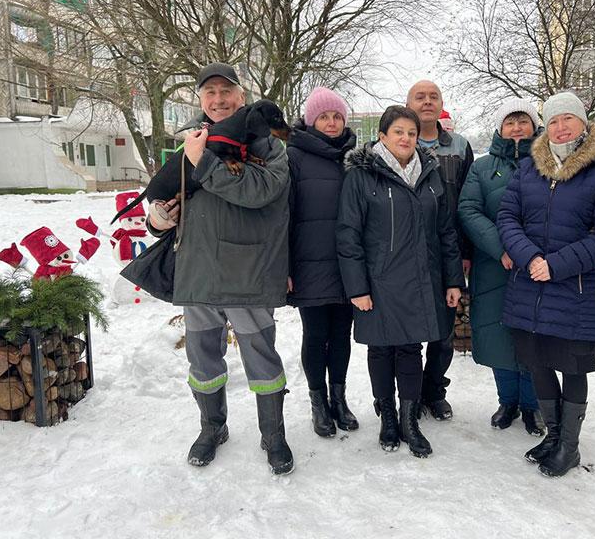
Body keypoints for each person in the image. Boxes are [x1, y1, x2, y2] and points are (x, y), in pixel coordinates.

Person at [147, 62, 294, 475]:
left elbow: (261, 190)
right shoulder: (192, 141)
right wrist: (157, 218)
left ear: (241, 96)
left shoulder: (267, 144)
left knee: (261, 357)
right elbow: (165, 196)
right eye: (209, 92)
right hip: (198, 271)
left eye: (226, 91)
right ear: (200, 99)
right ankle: (212, 427)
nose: (218, 99)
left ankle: (273, 434)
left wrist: (204, 163)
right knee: (202, 357)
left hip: (250, 269)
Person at [496, 91, 595, 477]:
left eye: (568, 118)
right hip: (529, 286)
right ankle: (553, 436)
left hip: (575, 288)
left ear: (583, 122)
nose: (560, 126)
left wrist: (555, 265)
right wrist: (530, 258)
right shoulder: (529, 169)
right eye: (553, 120)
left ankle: (569, 446)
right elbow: (508, 217)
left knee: (571, 367)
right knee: (538, 363)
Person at [336, 105, 464, 457]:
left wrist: (453, 280)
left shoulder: (429, 174)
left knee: (410, 349)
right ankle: (388, 417)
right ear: (382, 136)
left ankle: (409, 419)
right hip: (378, 281)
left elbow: (446, 232)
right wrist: (357, 288)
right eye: (398, 132)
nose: (405, 138)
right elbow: (348, 235)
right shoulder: (362, 176)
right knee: (381, 349)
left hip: (421, 279)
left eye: (411, 132)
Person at [458, 98, 546, 434]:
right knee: (498, 333)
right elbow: (469, 209)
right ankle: (507, 400)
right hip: (495, 264)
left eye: (523, 121)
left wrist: (529, 251)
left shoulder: (548, 161)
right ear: (500, 128)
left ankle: (533, 405)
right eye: (510, 122)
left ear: (535, 125)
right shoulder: (482, 167)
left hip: (538, 264)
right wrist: (502, 248)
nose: (517, 128)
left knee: (534, 335)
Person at [287, 87, 359, 438]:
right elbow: (283, 214)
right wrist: (285, 266)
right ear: (310, 120)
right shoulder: (294, 156)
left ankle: (338, 399)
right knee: (315, 335)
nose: (331, 123)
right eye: (324, 117)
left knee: (341, 334)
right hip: (309, 263)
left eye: (337, 116)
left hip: (347, 264)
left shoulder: (355, 157)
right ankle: (318, 403)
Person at [406, 80, 474, 420]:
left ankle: (434, 392)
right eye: (420, 97)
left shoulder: (459, 146)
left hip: (448, 252)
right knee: (407, 331)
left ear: (442, 103)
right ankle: (409, 394)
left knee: (444, 332)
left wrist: (466, 251)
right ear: (408, 104)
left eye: (433, 97)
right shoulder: (398, 142)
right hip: (405, 254)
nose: (427, 102)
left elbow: (470, 201)